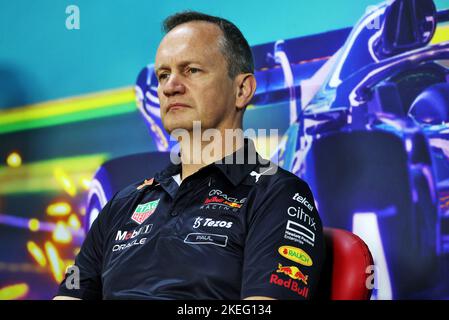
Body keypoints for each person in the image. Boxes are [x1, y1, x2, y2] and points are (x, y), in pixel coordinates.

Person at [54, 11, 324, 300]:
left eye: (191, 70)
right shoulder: (122, 204)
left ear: (242, 89)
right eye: (163, 75)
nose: (171, 86)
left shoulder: (277, 195)